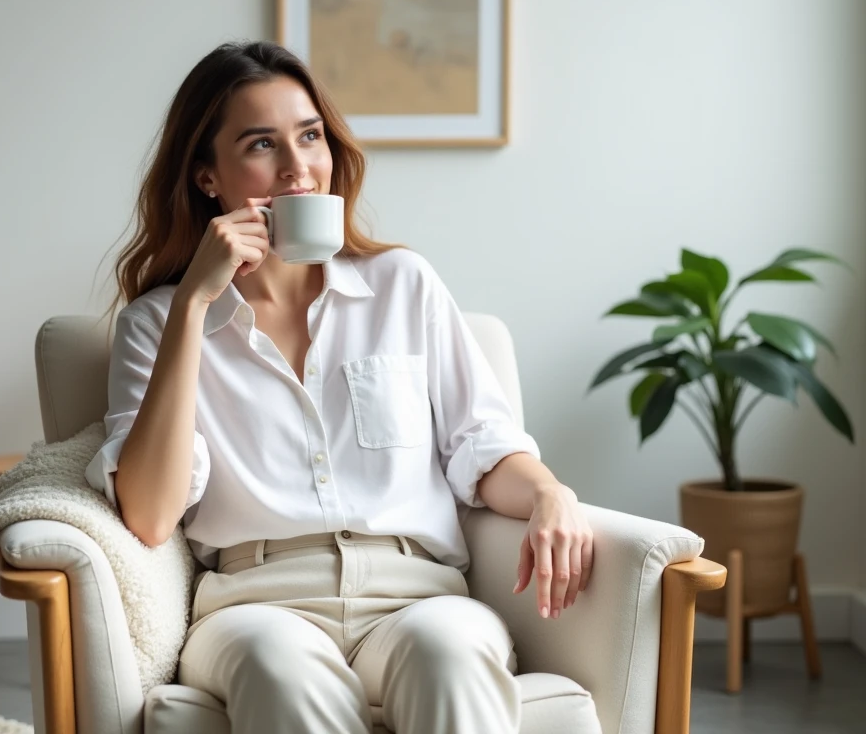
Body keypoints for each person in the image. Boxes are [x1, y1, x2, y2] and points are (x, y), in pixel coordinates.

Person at [87, 40, 594, 734]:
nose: (299, 168)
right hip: (255, 608)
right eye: (263, 145)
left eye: (310, 136)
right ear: (209, 177)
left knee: (450, 654)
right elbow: (148, 513)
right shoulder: (158, 325)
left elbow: (484, 445)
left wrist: (549, 493)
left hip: (418, 596)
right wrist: (194, 308)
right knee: (278, 667)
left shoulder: (403, 286)